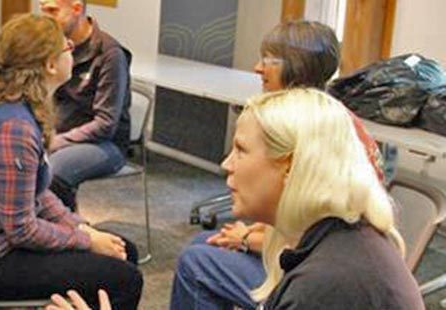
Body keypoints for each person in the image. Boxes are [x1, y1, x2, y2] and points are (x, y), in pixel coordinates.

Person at [170, 20, 386, 309]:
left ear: (295, 66)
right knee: (202, 244)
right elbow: (296, 215)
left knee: (197, 264)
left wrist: (247, 238)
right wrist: (250, 235)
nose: (257, 68)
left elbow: (309, 237)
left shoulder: (317, 133)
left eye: (268, 60)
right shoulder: (323, 118)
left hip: (306, 263)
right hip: (307, 251)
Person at [0, 14, 143, 310]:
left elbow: (37, 193)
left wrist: (83, 229)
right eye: (66, 46)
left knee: (124, 251)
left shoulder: (10, 104)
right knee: (126, 279)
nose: (71, 47)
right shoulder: (13, 127)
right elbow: (21, 228)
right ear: (50, 65)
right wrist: (85, 240)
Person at [225, 89, 422, 308]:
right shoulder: (343, 242)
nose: (227, 164)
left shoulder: (323, 287)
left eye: (241, 150)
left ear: (292, 165)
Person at [39, 0, 132, 212]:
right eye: (43, 11)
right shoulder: (53, 45)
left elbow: (105, 124)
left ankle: (71, 232)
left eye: (53, 11)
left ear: (77, 9)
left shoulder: (110, 54)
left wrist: (55, 141)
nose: (46, 19)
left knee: (51, 173)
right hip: (60, 133)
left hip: (105, 144)